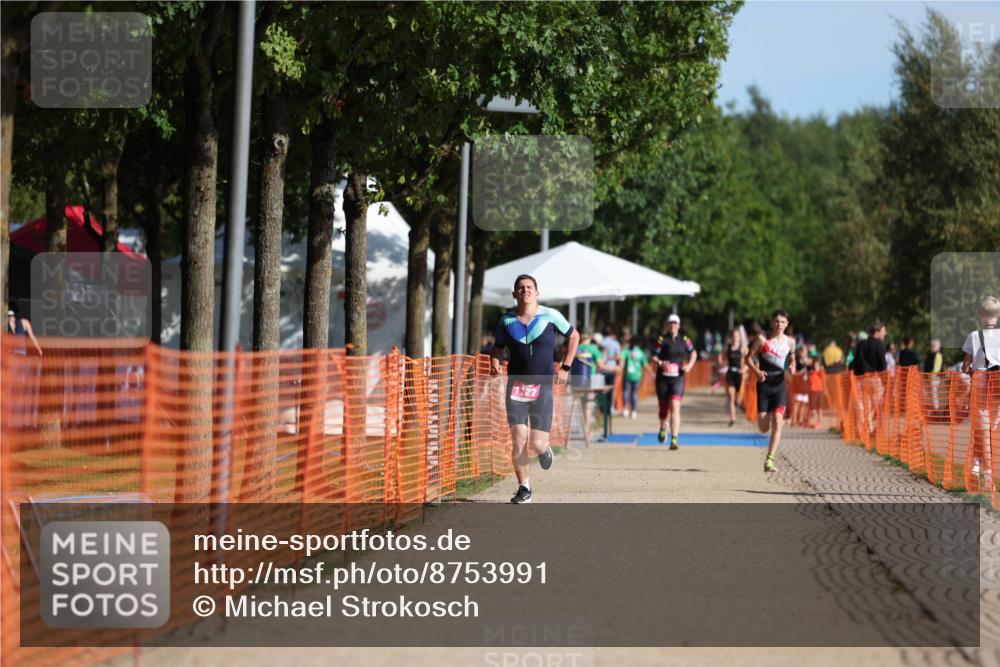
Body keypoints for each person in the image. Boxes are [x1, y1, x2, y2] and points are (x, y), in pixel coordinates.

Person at [491, 275, 580, 504]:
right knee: (519, 437)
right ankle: (524, 488)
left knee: (537, 443)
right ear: (514, 294)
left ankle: (544, 450)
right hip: (516, 387)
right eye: (520, 288)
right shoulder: (506, 321)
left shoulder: (551, 316)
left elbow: (574, 336)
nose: (525, 290)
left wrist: (565, 367)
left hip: (542, 387)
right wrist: (495, 360)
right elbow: (498, 348)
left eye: (529, 287)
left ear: (537, 293)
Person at [745, 309, 795, 472]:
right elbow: (748, 358)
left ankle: (769, 460)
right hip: (764, 385)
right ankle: (769, 456)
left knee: (778, 422)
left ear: (787, 324)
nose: (779, 325)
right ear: (772, 322)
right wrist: (756, 371)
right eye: (776, 321)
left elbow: (792, 357)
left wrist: (793, 365)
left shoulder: (790, 342)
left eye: (782, 322)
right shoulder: (762, 340)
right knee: (764, 427)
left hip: (779, 384)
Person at [960, 296, 1000, 491]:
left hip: (981, 381)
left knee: (980, 428)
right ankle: (981, 468)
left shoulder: (974, 336)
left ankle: (983, 471)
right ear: (998, 315)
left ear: (980, 315)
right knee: (990, 430)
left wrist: (970, 372)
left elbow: (964, 366)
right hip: (998, 384)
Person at [651, 314, 697, 449]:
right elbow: (653, 355)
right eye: (670, 323)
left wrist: (689, 365)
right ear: (667, 325)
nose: (673, 326)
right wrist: (660, 362)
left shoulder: (685, 339)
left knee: (675, 408)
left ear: (679, 325)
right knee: (663, 409)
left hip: (678, 378)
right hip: (663, 379)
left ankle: (674, 439)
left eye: (675, 323)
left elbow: (693, 352)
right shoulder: (661, 340)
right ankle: (662, 427)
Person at [851, 321, 888, 437]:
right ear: (877, 332)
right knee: (875, 406)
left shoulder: (861, 344)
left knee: (864, 405)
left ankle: (864, 429)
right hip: (874, 378)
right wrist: (884, 380)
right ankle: (872, 429)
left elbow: (855, 361)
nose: (885, 333)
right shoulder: (879, 345)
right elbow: (883, 365)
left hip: (861, 379)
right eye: (883, 331)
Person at [718, 328, 747, 427]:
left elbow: (749, 360)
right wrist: (722, 365)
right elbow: (721, 357)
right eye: (734, 336)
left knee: (738, 399)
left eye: (737, 336)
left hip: (739, 374)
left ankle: (736, 404)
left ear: (739, 337)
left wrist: (745, 369)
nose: (735, 338)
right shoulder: (728, 347)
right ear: (732, 337)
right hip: (730, 373)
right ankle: (732, 419)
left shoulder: (743, 348)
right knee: (731, 396)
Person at [622, 337, 647, 419]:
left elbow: (621, 360)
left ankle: (625, 409)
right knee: (634, 393)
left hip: (628, 375)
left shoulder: (626, 351)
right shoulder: (641, 352)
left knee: (626, 392)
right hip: (637, 376)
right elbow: (645, 365)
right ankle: (633, 411)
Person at [599, 327, 622, 415]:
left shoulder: (603, 341)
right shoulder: (616, 343)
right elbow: (618, 357)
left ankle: (602, 409)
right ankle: (609, 409)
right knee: (611, 390)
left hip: (602, 368)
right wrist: (619, 366)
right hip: (612, 369)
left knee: (601, 389)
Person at [807, 356, 827, 428]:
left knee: (820, 408)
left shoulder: (821, 371)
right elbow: (809, 378)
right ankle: (808, 421)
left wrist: (820, 370)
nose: (816, 365)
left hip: (820, 391)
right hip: (812, 391)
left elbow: (824, 379)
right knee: (811, 408)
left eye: (818, 364)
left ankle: (819, 422)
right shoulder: (810, 372)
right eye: (815, 364)